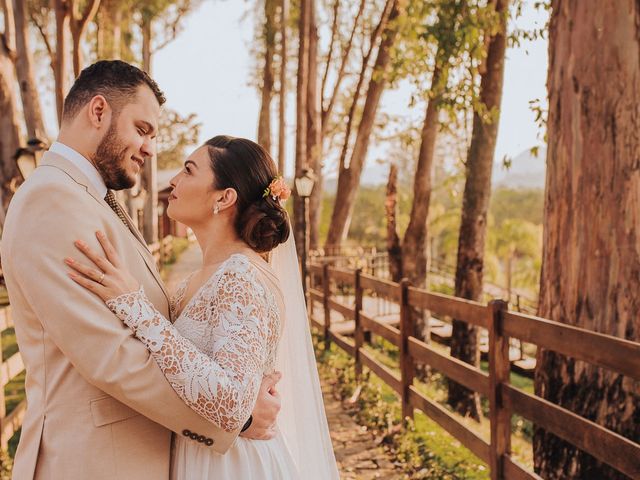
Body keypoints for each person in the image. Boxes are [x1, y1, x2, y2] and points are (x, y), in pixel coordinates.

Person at [1, 61, 280, 480]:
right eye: (143, 130)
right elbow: (111, 354)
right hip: (94, 463)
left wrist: (233, 388)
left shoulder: (93, 198)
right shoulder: (53, 200)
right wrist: (233, 415)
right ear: (98, 111)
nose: (151, 149)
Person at [66, 135, 340, 479]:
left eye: (188, 171)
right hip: (197, 455)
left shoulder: (241, 275)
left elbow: (232, 401)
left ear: (224, 198)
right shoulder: (195, 280)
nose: (173, 180)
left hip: (232, 466)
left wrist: (136, 307)